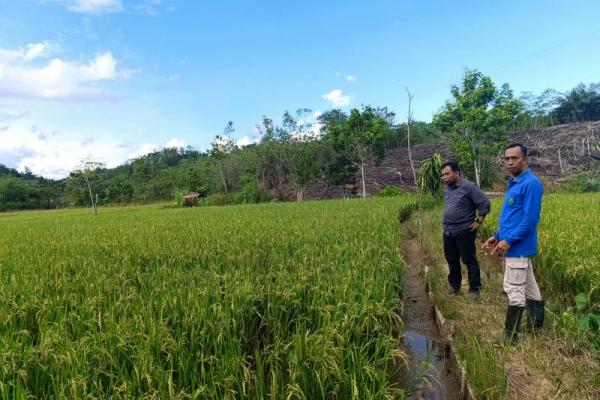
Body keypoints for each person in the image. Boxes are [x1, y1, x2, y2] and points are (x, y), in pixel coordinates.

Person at [482, 143, 545, 344]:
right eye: (506, 158)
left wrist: (508, 240)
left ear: (525, 159)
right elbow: (513, 218)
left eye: (514, 158)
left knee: (514, 290)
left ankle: (511, 338)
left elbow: (530, 220)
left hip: (518, 248)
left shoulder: (530, 184)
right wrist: (497, 236)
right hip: (514, 246)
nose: (509, 162)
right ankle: (536, 329)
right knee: (530, 289)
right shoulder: (514, 183)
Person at [441, 161, 491, 297]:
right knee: (451, 259)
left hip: (464, 230)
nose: (444, 177)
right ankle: (454, 286)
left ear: (457, 173)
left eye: (447, 174)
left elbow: (484, 202)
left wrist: (479, 221)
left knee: (469, 259)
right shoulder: (447, 189)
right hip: (448, 230)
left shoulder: (468, 187)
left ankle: (475, 289)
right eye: (443, 175)